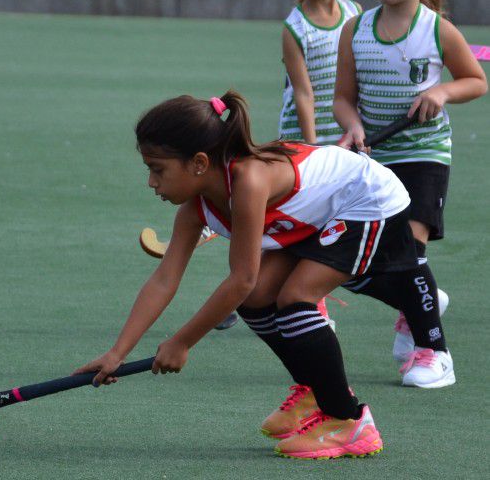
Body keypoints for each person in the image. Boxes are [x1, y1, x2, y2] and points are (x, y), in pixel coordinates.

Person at [76, 91, 421, 459]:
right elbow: (165, 279)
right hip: (320, 216)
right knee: (258, 299)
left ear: (198, 163)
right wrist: (117, 352)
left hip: (370, 202)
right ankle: (312, 391)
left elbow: (240, 278)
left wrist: (182, 342)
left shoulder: (249, 182)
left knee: (295, 299)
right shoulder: (197, 208)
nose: (151, 182)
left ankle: (348, 422)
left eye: (158, 169)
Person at [334, 0, 487, 387]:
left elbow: (477, 80)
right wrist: (353, 125)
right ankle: (419, 300)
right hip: (372, 158)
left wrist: (442, 91)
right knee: (347, 263)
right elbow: (343, 98)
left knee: (408, 253)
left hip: (424, 154)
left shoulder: (438, 30)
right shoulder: (355, 30)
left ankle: (434, 354)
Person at [277, 0, 361, 328]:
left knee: (339, 223)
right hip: (304, 141)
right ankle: (309, 305)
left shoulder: (354, 14)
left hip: (345, 135)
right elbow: (304, 94)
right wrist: (313, 152)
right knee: (303, 225)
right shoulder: (295, 28)